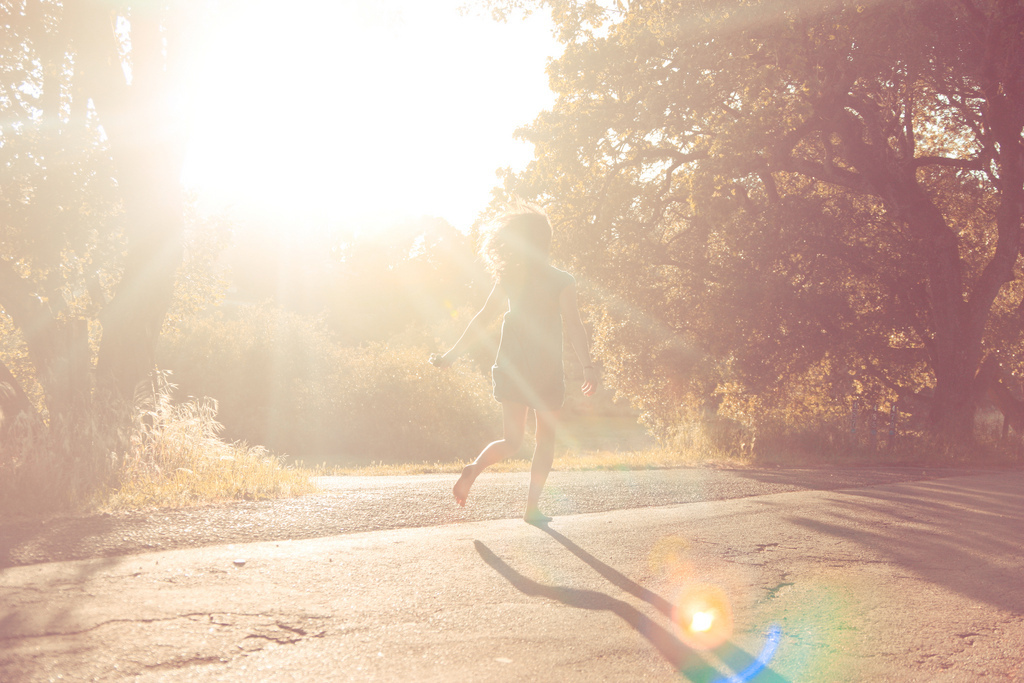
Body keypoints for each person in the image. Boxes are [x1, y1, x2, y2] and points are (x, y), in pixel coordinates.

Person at [429, 207, 598, 525]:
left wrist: (452, 354)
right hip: (547, 372)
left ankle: (474, 468)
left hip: (512, 368)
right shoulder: (562, 280)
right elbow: (574, 325)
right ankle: (531, 508)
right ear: (546, 243)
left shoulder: (510, 278)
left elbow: (482, 319)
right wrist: (588, 367)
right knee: (544, 441)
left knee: (512, 441)